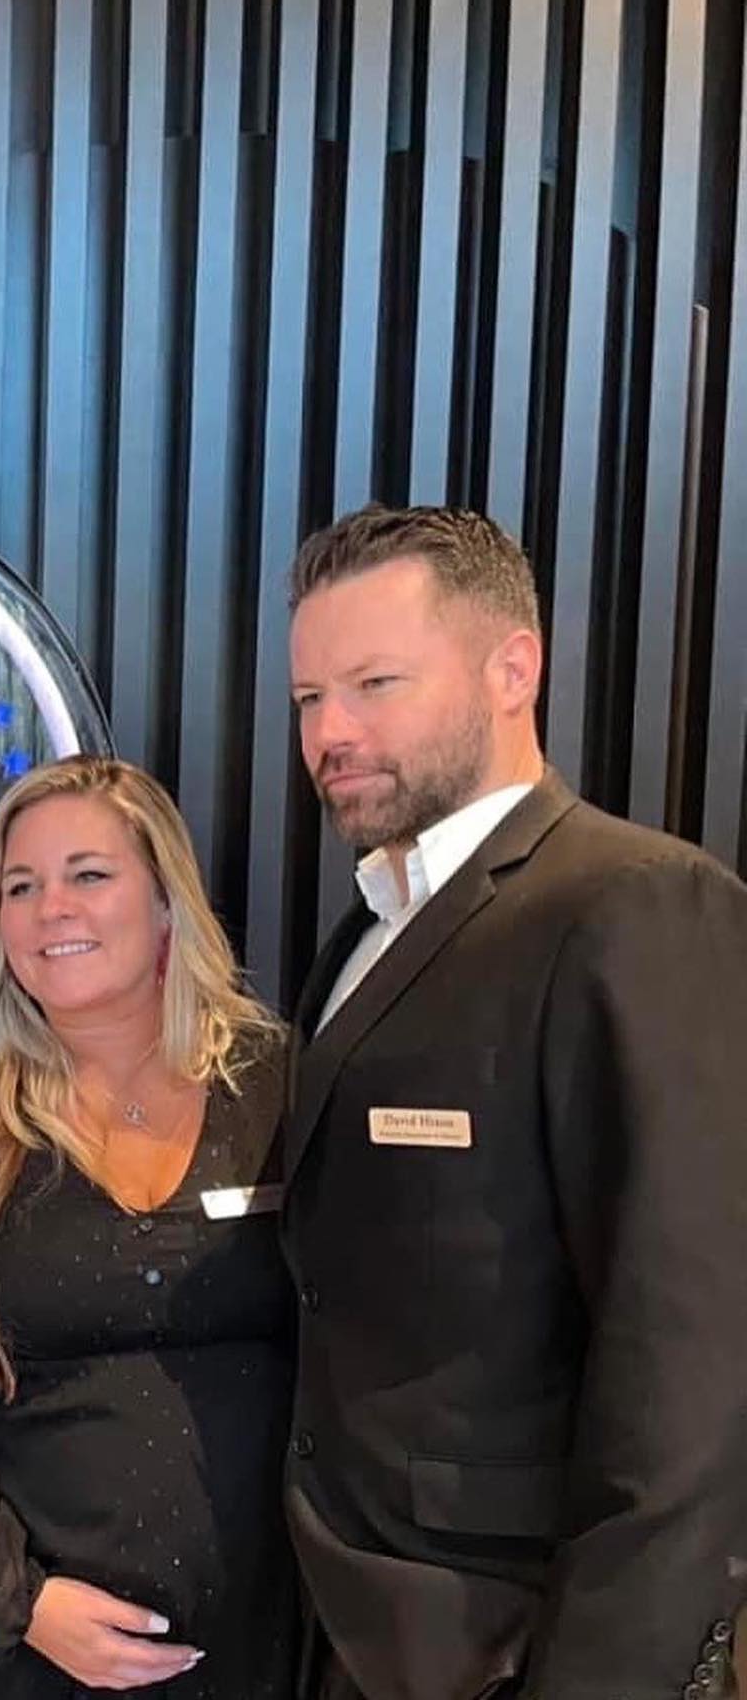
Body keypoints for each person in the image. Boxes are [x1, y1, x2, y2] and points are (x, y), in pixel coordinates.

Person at [282, 503, 747, 1700]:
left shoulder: (638, 904)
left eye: (374, 684)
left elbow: (691, 1367)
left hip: (518, 1639)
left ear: (512, 669)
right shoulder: (370, 926)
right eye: (309, 698)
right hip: (353, 1625)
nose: (331, 732)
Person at [0, 755, 298, 1697]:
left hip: (278, 1646)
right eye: (21, 887)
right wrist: (20, 1602)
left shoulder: (281, 1091)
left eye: (88, 875)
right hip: (39, 1666)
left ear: (166, 901)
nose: (51, 908)